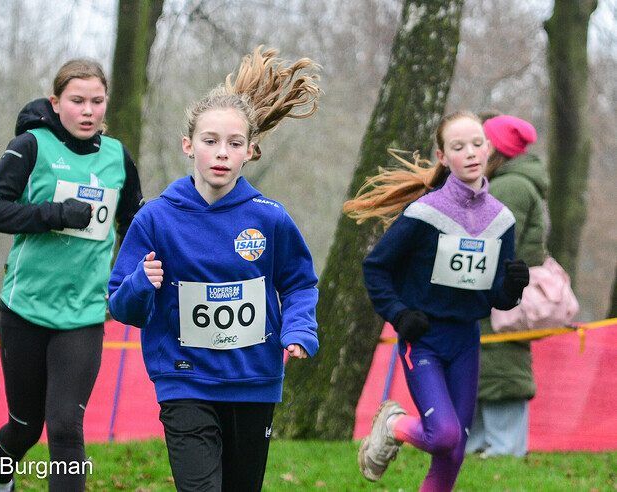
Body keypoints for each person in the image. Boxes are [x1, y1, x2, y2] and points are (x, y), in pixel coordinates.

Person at [107, 46, 321, 491]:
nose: (221, 153)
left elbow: (299, 282)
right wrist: (141, 285)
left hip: (254, 380)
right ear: (189, 146)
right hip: (183, 380)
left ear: (250, 151)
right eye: (210, 141)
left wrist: (300, 328)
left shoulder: (270, 218)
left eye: (234, 143)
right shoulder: (156, 219)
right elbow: (120, 305)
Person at [0, 58, 143, 492]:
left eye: (97, 101)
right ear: (56, 102)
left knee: (66, 428)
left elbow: (134, 227)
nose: (88, 111)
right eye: (77, 101)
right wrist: (51, 214)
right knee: (26, 426)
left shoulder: (118, 158)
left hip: (84, 314)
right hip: (25, 309)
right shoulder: (32, 146)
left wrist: (124, 282)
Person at [346, 111, 530, 491]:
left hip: (466, 340)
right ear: (443, 156)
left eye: (477, 144)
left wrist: (513, 288)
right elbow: (375, 268)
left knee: (454, 453)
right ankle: (393, 424)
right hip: (424, 337)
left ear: (489, 148)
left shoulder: (502, 220)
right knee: (444, 435)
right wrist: (399, 315)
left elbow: (496, 296)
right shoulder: (424, 213)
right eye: (458, 147)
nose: (470, 153)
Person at [465, 113, 548, 458]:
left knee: (501, 369)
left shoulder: (509, 186)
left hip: (498, 299)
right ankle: (484, 452)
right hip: (494, 300)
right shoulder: (511, 182)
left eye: (482, 143)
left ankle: (501, 453)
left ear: (497, 149)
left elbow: (490, 242)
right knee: (490, 370)